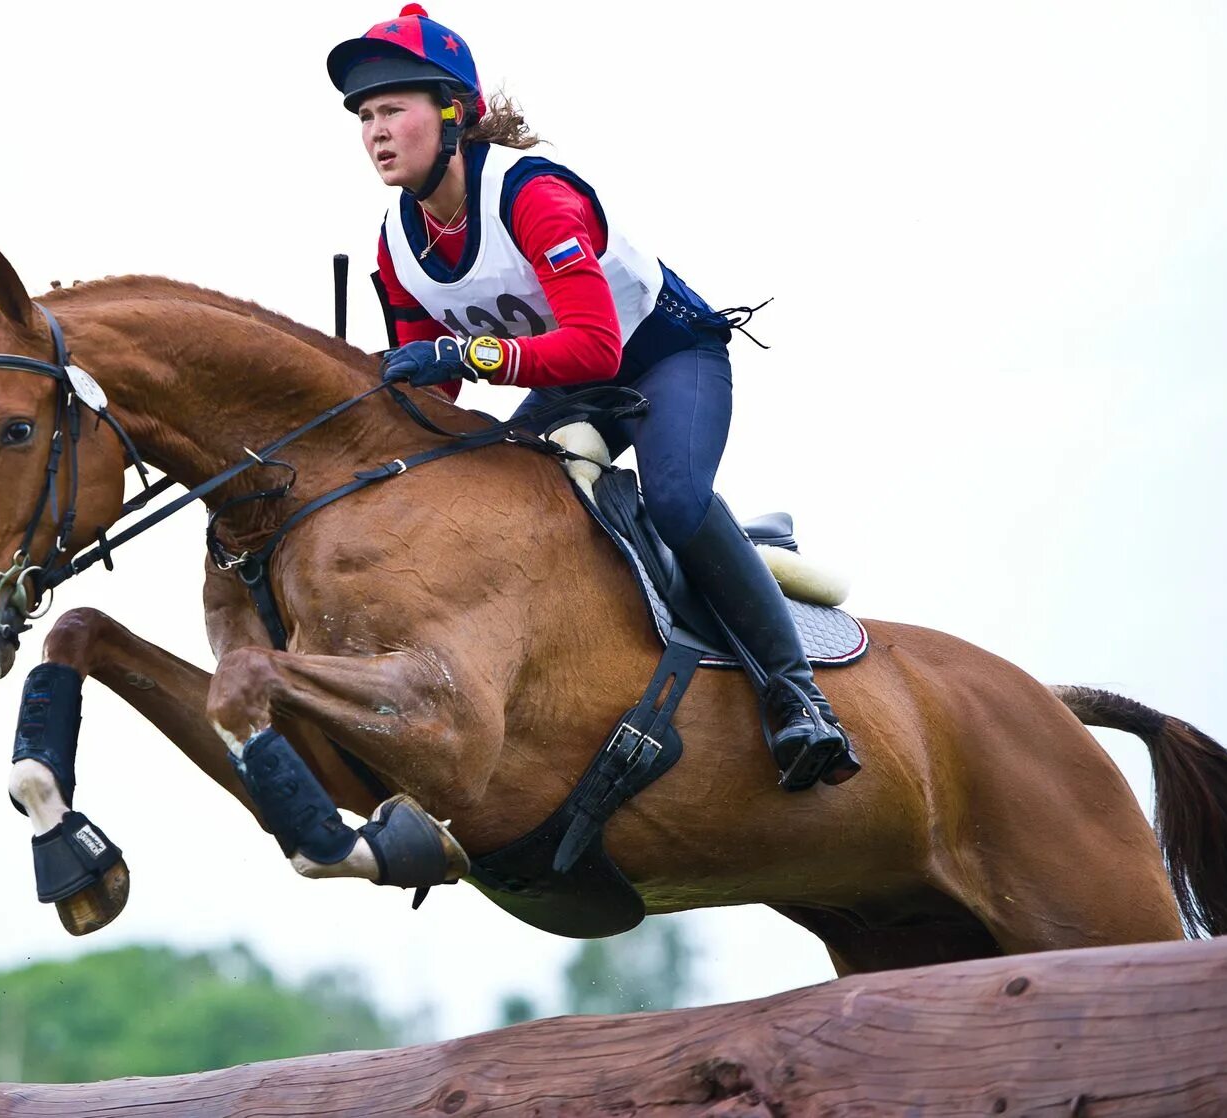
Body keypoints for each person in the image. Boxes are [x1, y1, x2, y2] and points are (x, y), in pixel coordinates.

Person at [328, 5, 860, 791]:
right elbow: (434, 388)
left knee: (677, 501)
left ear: (452, 115)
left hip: (663, 357)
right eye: (365, 116)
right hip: (569, 383)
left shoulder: (531, 195)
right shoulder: (397, 240)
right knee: (499, 503)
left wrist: (467, 351)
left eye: (393, 110)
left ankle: (798, 696)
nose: (376, 131)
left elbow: (596, 348)